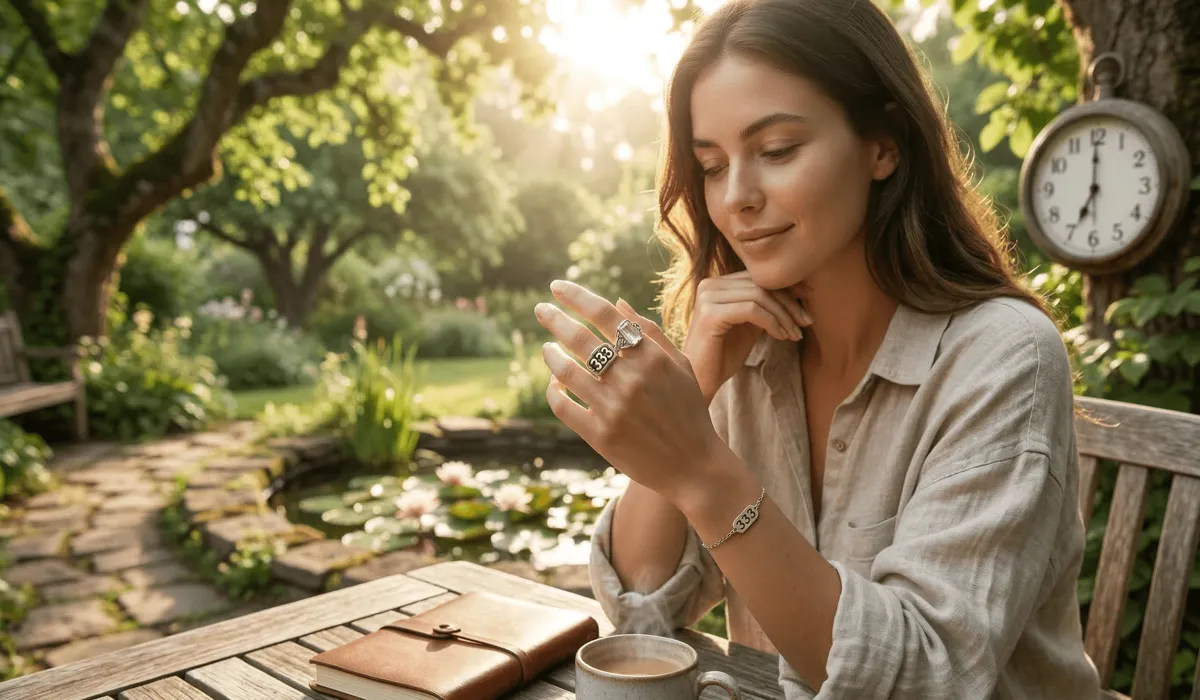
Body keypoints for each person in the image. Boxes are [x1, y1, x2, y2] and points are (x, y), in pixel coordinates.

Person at [531, 0, 1103, 697]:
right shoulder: (748, 350)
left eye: (776, 152)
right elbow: (640, 611)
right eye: (711, 166)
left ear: (883, 144)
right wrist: (698, 380)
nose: (737, 197)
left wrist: (705, 472)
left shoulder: (1002, 358)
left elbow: (924, 676)